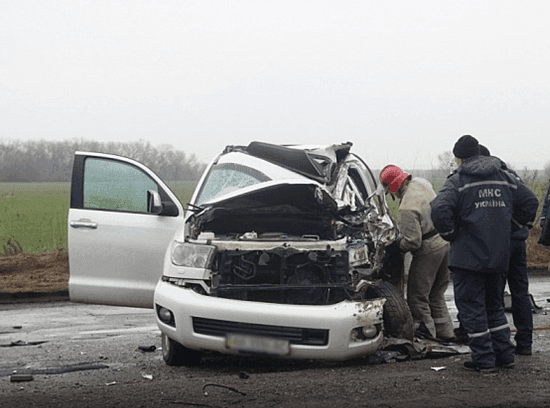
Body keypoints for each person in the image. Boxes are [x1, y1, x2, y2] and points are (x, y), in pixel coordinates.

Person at [430, 135, 537, 373]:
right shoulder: (505, 177)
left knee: (471, 309)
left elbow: (439, 208)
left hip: (468, 259)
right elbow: (530, 201)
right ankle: (505, 355)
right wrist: (511, 229)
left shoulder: (458, 181)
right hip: (498, 257)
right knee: (494, 307)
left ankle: (483, 360)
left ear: (459, 157)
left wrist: (450, 233)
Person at [379, 165, 455, 341]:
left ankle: (426, 335)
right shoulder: (422, 183)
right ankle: (446, 333)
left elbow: (413, 242)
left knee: (417, 297)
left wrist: (396, 246)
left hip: (429, 251)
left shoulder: (406, 207)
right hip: (445, 243)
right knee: (436, 294)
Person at [478, 144, 538, 356]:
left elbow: (531, 201)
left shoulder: (491, 178)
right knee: (520, 292)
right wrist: (521, 226)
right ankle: (525, 343)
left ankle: (500, 346)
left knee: (494, 296)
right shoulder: (511, 176)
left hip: (500, 243)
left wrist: (509, 225)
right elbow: (530, 201)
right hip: (517, 243)